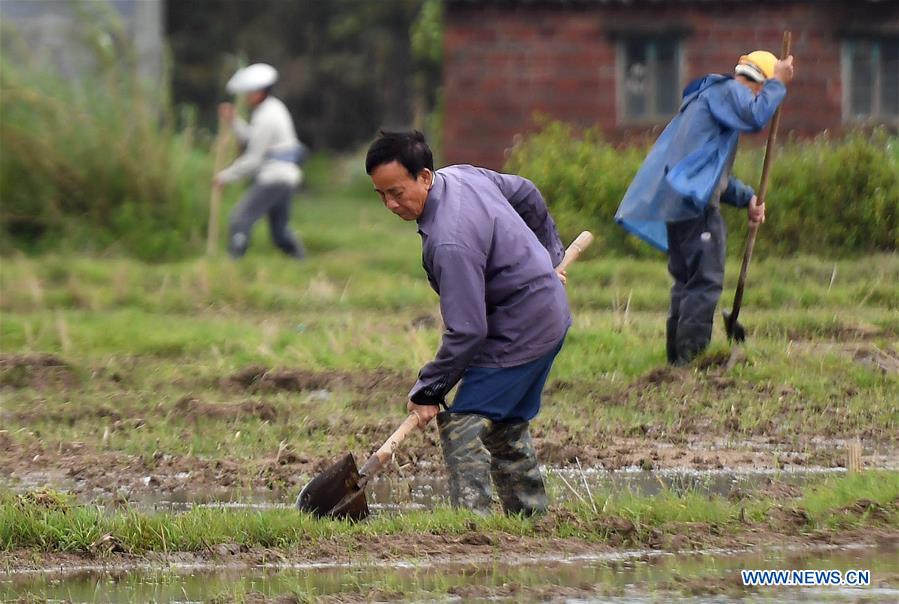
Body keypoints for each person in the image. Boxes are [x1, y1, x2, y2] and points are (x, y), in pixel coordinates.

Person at [365, 131, 570, 516]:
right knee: (506, 425)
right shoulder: (462, 176)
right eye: (381, 195)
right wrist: (549, 256)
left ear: (425, 176)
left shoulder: (449, 241)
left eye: (396, 192)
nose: (390, 204)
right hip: (543, 315)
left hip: (521, 329)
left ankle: (472, 529)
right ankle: (530, 519)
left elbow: (467, 331)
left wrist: (429, 389)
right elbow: (525, 191)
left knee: (461, 426)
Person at [615, 51, 795, 365]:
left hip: (681, 204)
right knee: (704, 282)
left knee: (686, 282)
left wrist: (747, 197)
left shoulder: (708, 102)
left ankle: (676, 363)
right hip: (695, 209)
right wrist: (779, 83)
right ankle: (692, 362)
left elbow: (709, 171)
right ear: (756, 85)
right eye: (762, 91)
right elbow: (756, 116)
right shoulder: (727, 92)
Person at [214, 63, 305, 259]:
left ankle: (233, 262)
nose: (246, 97)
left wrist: (224, 176)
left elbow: (254, 159)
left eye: (249, 92)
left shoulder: (266, 116)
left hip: (274, 177)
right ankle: (301, 261)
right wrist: (233, 121)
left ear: (259, 93)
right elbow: (252, 139)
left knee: (240, 219)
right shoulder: (273, 108)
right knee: (279, 233)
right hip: (287, 177)